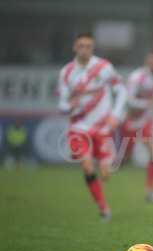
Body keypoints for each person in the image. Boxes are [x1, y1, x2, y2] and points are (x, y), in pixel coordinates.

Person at [58, 32, 127, 219]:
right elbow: (62, 104)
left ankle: (104, 174)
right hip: (79, 127)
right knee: (87, 166)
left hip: (103, 128)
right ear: (75, 47)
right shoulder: (66, 72)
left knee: (105, 173)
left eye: (88, 46)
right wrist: (68, 106)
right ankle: (103, 208)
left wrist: (116, 115)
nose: (84, 49)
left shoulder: (103, 68)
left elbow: (121, 90)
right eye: (81, 46)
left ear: (92, 48)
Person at [120, 52, 153, 203]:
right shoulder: (136, 77)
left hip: (146, 121)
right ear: (148, 61)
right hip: (129, 122)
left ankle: (150, 190)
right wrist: (147, 104)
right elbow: (129, 101)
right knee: (123, 159)